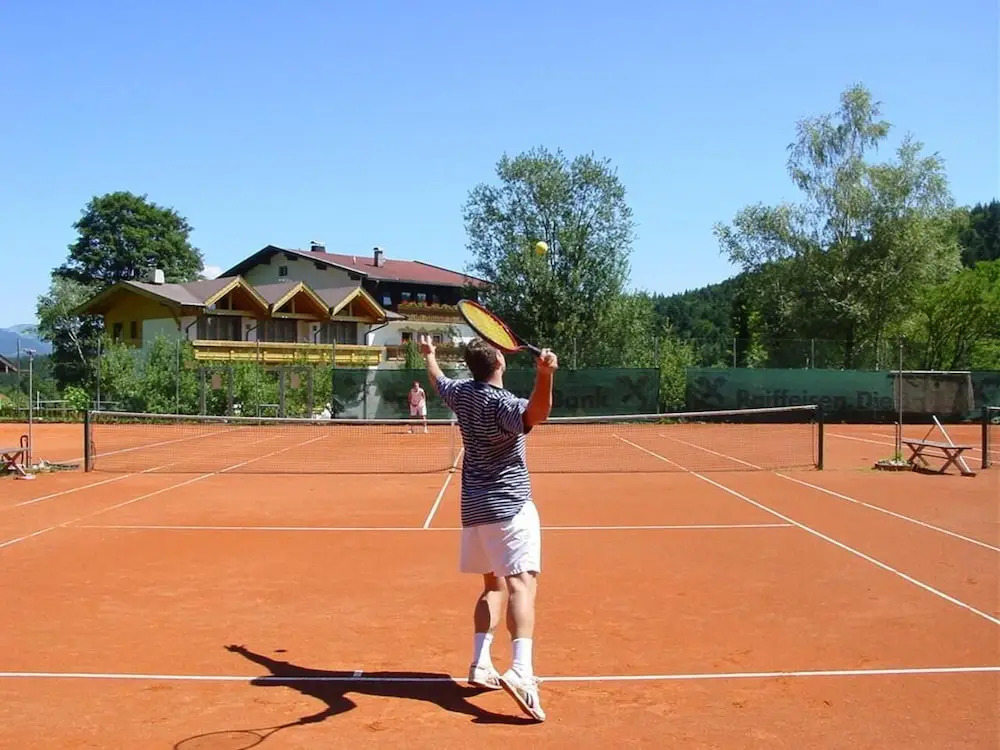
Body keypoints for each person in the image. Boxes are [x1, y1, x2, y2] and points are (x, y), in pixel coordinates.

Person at [418, 333, 557, 722]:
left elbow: (438, 381)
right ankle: (522, 671)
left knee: (492, 586)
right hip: (510, 507)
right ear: (500, 363)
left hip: (475, 511)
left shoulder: (462, 394)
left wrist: (429, 355)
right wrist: (545, 375)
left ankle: (480, 663)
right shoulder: (502, 403)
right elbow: (538, 414)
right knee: (522, 585)